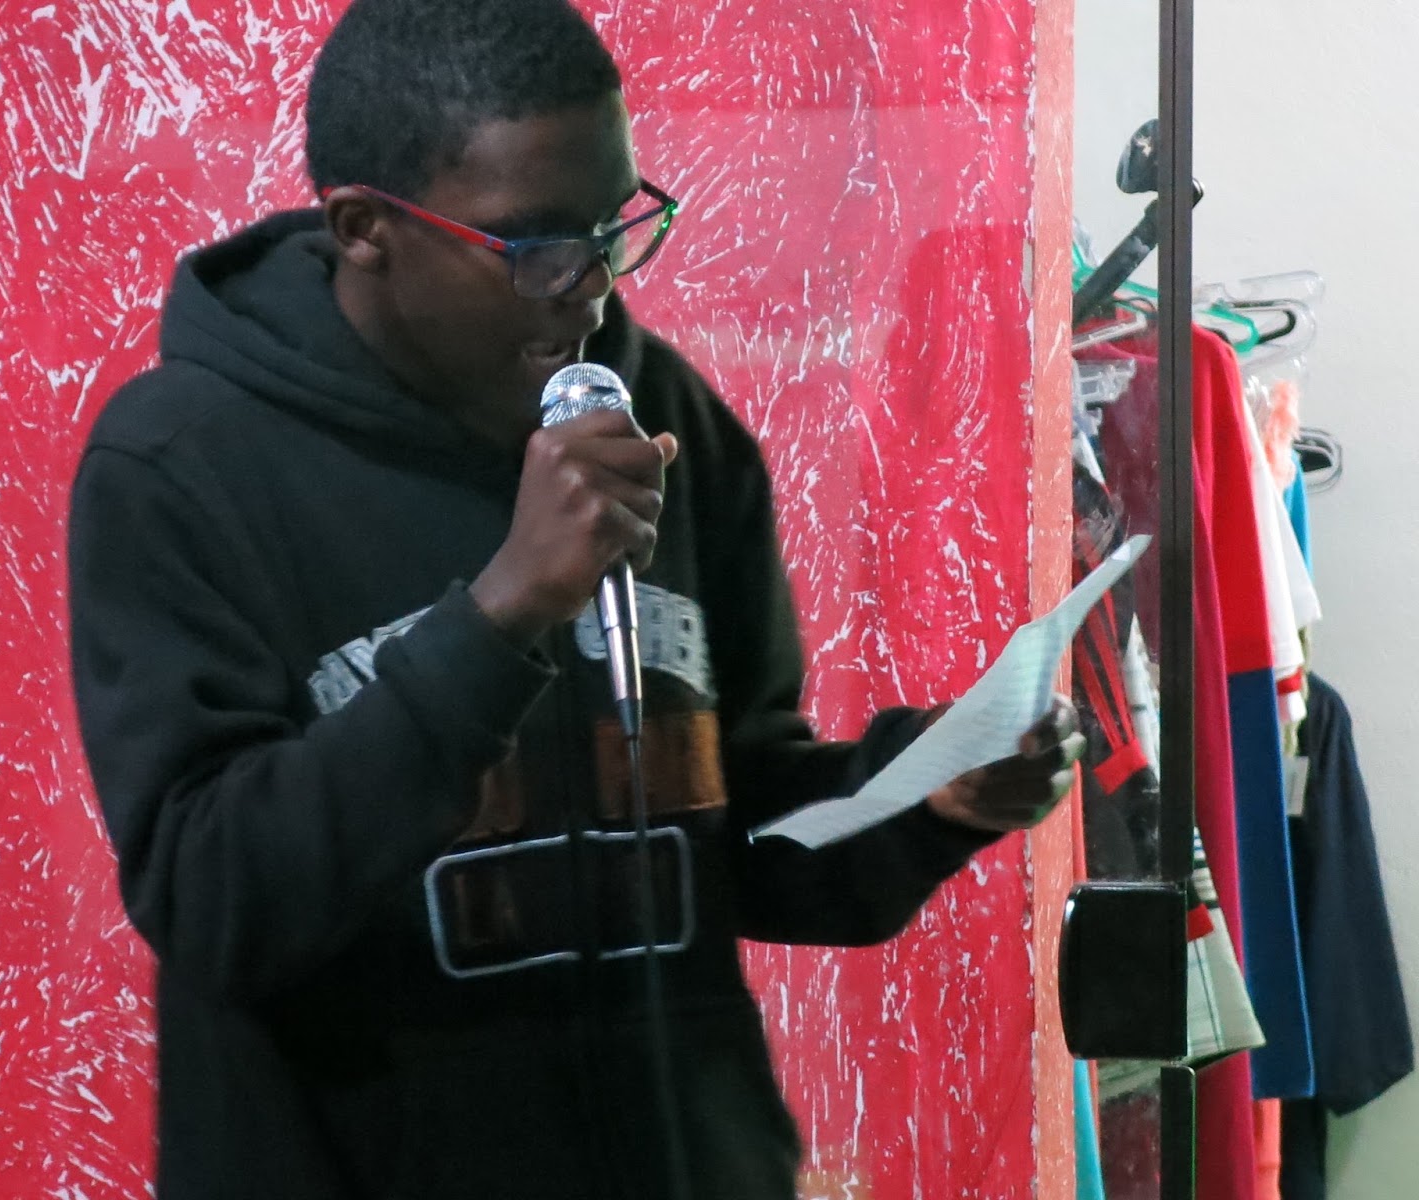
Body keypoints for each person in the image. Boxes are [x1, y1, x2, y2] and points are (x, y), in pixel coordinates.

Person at [66, 1, 1082, 1197]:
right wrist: (501, 616)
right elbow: (217, 901)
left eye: (610, 228)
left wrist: (927, 796)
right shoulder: (182, 466)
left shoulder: (668, 426)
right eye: (532, 246)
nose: (589, 289)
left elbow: (734, 832)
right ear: (364, 230)